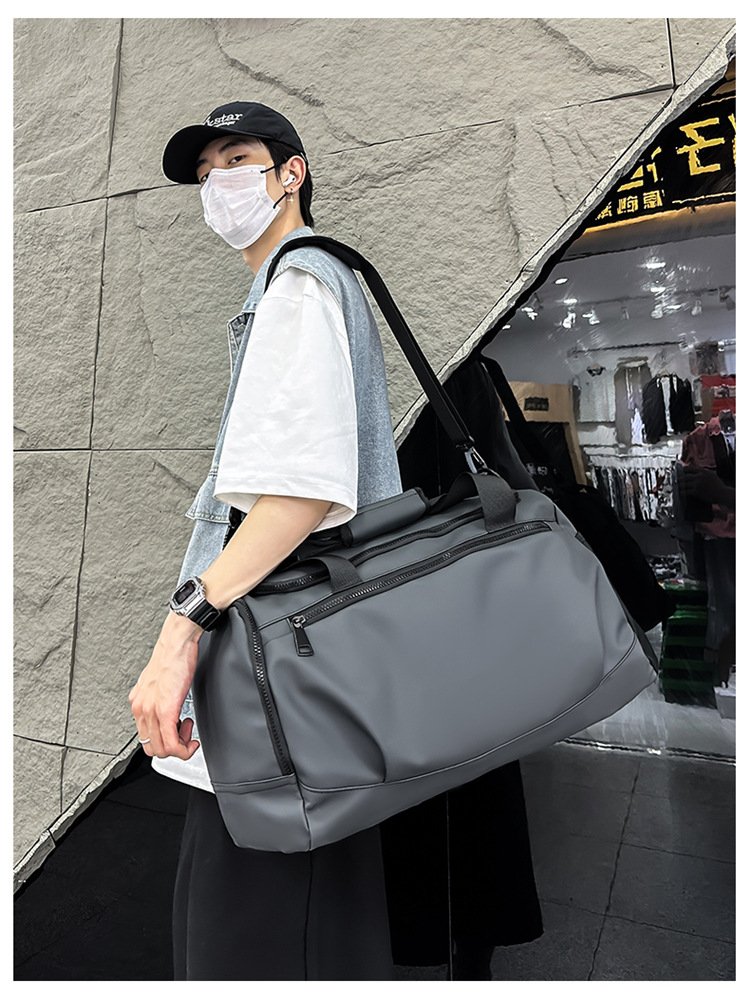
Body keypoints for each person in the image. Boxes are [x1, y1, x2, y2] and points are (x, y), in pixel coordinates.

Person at [128, 101, 403, 980]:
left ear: (292, 173)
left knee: (255, 942)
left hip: (283, 696)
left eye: (238, 158)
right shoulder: (297, 285)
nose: (220, 182)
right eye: (205, 173)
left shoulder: (297, 286)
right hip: (314, 691)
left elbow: (298, 494)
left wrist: (181, 631)